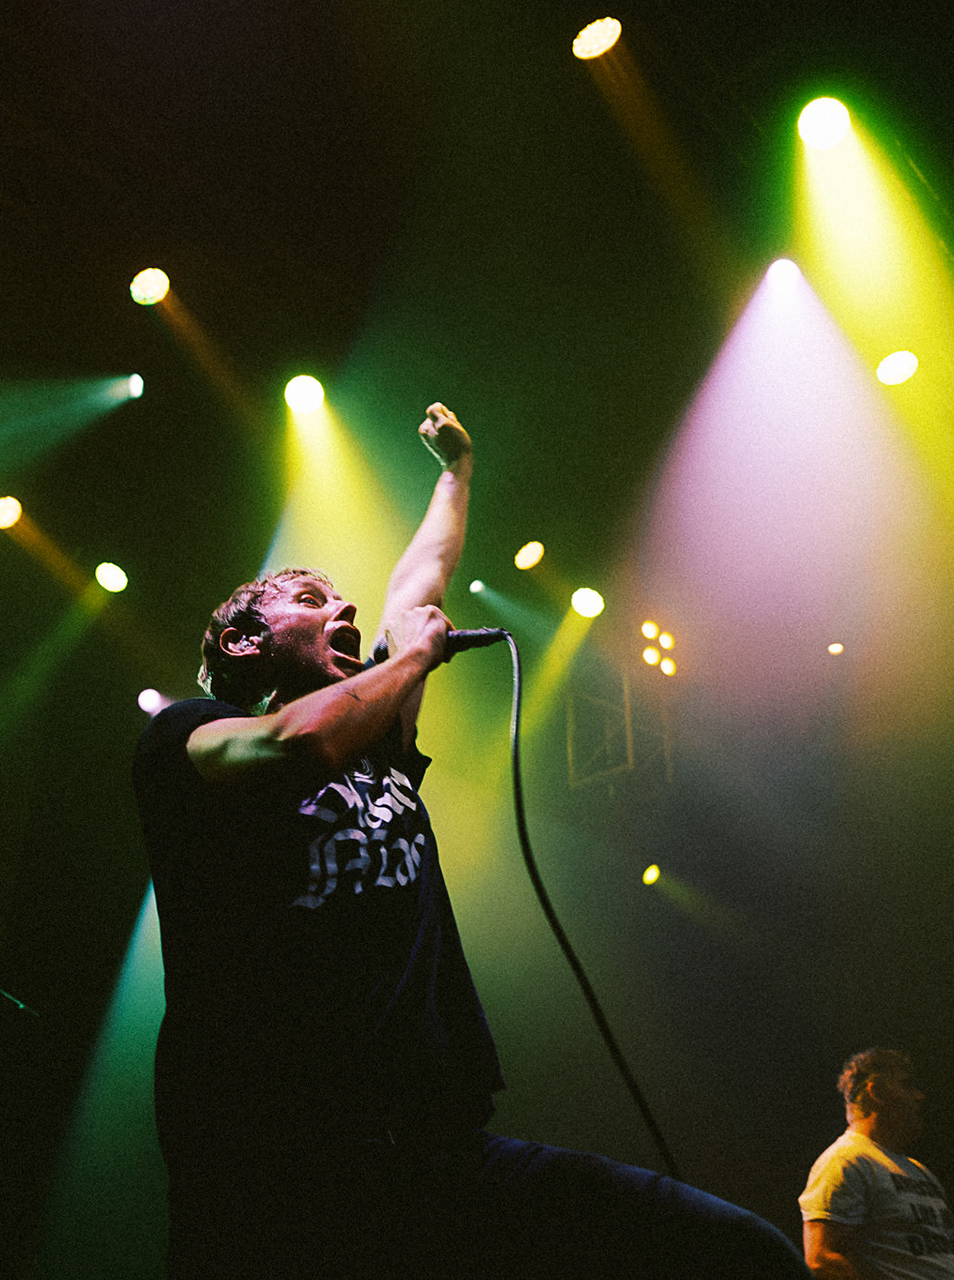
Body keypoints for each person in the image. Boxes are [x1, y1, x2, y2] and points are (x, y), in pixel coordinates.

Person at [133, 403, 805, 1278]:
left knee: (737, 1250)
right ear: (244, 640)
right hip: (272, 1162)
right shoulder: (188, 737)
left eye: (341, 597)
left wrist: (457, 475)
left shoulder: (377, 738)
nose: (345, 605)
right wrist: (412, 658)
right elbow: (298, 743)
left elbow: (418, 586)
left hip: (429, 1148)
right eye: (310, 600)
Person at [800, 1048, 954, 1280]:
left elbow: (933, 1257)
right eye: (906, 1085)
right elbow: (822, 1260)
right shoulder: (846, 1160)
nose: (919, 1096)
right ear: (877, 1092)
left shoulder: (920, 1171)